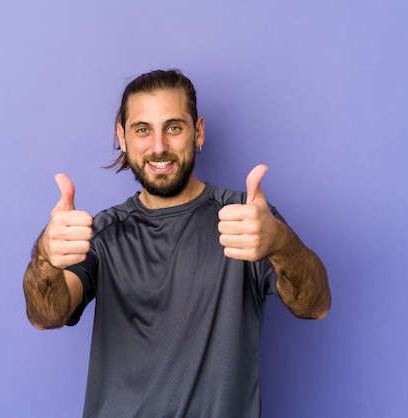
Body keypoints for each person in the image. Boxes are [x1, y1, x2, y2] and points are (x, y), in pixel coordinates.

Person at [23, 69, 331, 417]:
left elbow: (315, 305)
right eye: (143, 130)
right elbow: (45, 316)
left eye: (173, 127)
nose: (158, 147)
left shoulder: (247, 221)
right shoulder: (102, 233)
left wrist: (282, 244)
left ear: (197, 131)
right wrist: (46, 258)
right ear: (122, 137)